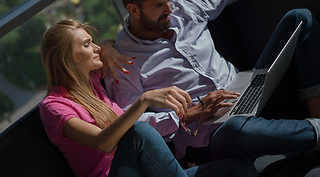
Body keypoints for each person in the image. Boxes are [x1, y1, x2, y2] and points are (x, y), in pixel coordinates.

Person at [100, 0, 320, 165]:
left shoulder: (184, 8)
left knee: (299, 18)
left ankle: (316, 117)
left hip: (245, 91)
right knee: (234, 130)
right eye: (159, 5)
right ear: (134, 10)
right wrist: (190, 114)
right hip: (208, 133)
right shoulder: (122, 60)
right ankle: (316, 131)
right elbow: (132, 120)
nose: (169, 8)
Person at [39, 19, 262, 177]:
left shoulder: (94, 81)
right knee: (139, 131)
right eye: (87, 45)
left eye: (92, 41)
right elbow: (102, 142)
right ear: (65, 58)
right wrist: (144, 101)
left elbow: (111, 43)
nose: (95, 47)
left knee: (238, 168)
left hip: (145, 169)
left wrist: (107, 47)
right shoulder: (54, 106)